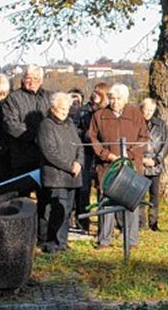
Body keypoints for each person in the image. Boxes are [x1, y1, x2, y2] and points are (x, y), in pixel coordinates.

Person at [88, 83, 149, 249]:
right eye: (112, 98)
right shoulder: (99, 115)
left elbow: (144, 138)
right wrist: (107, 155)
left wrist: (128, 154)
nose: (114, 101)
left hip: (130, 166)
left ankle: (131, 240)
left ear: (126, 99)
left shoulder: (135, 114)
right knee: (106, 201)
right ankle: (104, 240)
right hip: (107, 166)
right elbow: (92, 139)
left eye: (118, 98)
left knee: (131, 201)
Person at [37, 93, 84, 253]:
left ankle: (62, 242)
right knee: (57, 209)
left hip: (72, 176)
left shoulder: (69, 124)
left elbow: (79, 146)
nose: (65, 111)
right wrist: (69, 165)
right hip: (56, 176)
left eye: (67, 108)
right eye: (62, 108)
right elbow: (49, 151)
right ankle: (52, 242)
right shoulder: (46, 125)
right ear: (53, 107)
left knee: (67, 210)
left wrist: (79, 162)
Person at [2, 64, 52, 176]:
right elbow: (10, 124)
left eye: (36, 78)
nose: (32, 82)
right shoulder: (13, 98)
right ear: (23, 79)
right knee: (22, 192)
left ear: (41, 80)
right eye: (29, 78)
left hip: (46, 157)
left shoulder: (49, 97)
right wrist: (35, 136)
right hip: (22, 157)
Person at [73, 83, 110, 232]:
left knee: (104, 190)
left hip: (102, 155)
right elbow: (75, 129)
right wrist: (87, 136)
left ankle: (104, 227)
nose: (95, 95)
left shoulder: (108, 113)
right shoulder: (82, 111)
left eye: (99, 93)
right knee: (83, 190)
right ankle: (83, 224)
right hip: (86, 153)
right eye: (94, 92)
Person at [140, 97, 168, 231]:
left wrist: (157, 160)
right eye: (146, 109)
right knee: (140, 194)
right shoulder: (136, 123)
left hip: (155, 164)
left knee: (154, 195)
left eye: (151, 110)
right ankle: (140, 222)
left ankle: (153, 222)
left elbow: (166, 144)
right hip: (140, 163)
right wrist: (140, 159)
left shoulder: (161, 125)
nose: (148, 112)